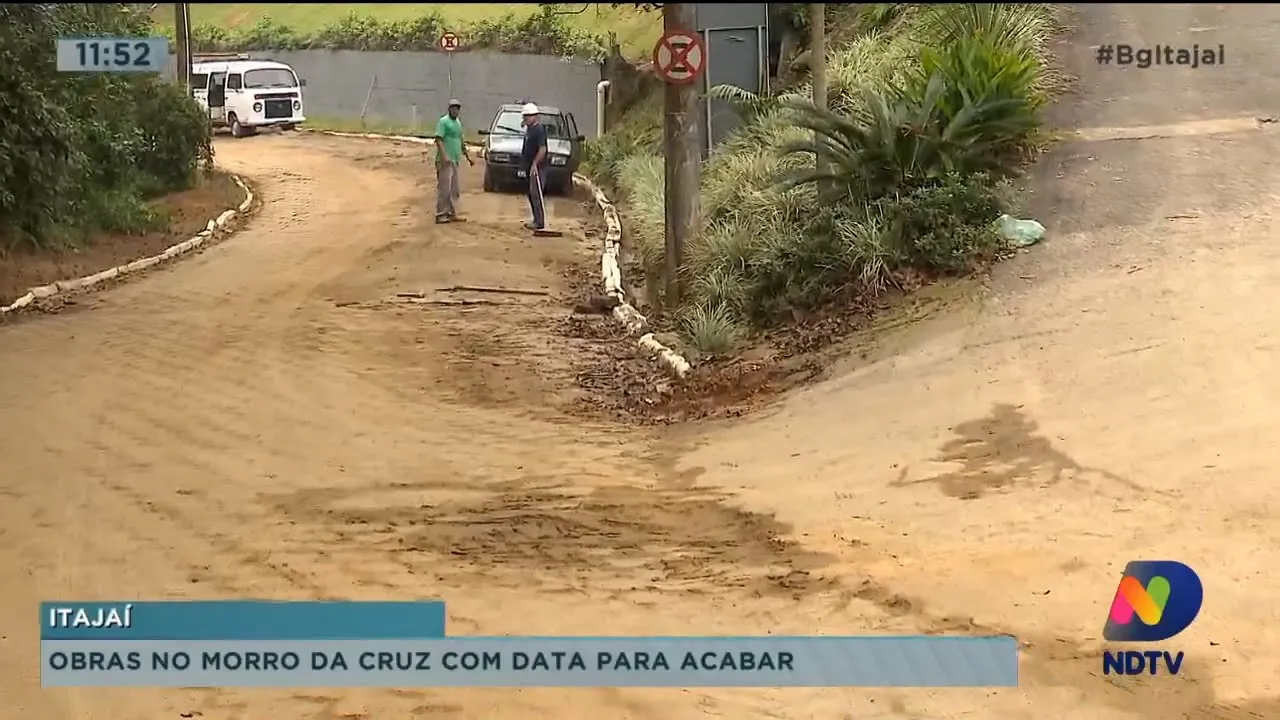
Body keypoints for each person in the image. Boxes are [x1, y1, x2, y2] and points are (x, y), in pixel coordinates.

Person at [434, 99, 473, 223]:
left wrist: (468, 157)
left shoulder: (458, 123)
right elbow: (438, 139)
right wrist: (444, 155)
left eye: (457, 109)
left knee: (453, 189)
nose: (455, 111)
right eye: (453, 108)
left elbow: (461, 141)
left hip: (455, 159)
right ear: (449, 109)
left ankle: (451, 213)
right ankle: (440, 214)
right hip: (445, 160)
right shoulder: (443, 122)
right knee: (444, 188)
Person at [520, 102, 549, 231]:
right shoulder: (530, 129)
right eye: (524, 116)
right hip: (529, 166)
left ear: (535, 116)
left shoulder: (539, 130)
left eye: (527, 117)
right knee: (531, 194)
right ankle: (536, 219)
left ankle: (539, 221)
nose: (525, 119)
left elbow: (542, 149)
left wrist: (534, 164)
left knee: (536, 193)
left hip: (538, 167)